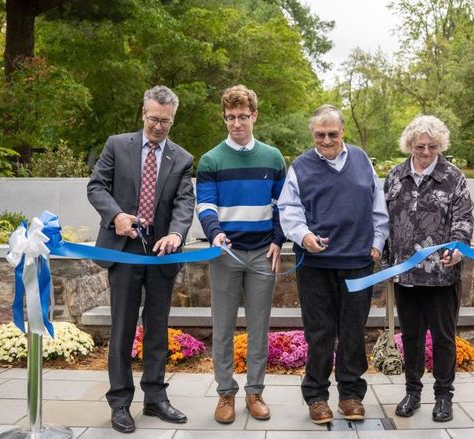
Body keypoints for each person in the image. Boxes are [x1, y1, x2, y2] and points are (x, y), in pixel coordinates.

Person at [87, 85, 195, 433]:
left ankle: (155, 398)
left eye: (165, 121)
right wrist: (116, 215)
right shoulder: (117, 145)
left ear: (172, 119)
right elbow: (96, 187)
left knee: (157, 328)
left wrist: (177, 234)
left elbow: (184, 203)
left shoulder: (182, 158)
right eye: (153, 119)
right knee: (122, 329)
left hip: (162, 254)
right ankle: (120, 402)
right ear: (143, 112)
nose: (158, 126)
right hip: (124, 250)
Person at [278, 104, 389, 425]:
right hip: (315, 265)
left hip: (357, 263)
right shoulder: (300, 166)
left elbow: (377, 205)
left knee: (353, 331)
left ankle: (351, 394)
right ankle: (316, 396)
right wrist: (303, 236)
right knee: (320, 333)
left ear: (343, 132)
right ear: (313, 134)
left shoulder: (361, 160)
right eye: (319, 135)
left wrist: (377, 242)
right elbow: (288, 210)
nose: (326, 140)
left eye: (332, 134)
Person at [196, 85, 285, 424]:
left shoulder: (273, 157)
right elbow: (205, 204)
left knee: (260, 327)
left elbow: (282, 205)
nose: (237, 123)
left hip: (264, 254)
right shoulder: (211, 159)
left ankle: (255, 392)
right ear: (224, 118)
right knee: (222, 327)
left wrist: (278, 239)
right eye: (230, 117)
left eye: (243, 117)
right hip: (225, 255)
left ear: (254, 116)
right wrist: (215, 232)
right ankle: (225, 395)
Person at [384, 115, 474, 422]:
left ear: (441, 145)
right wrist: (385, 259)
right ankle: (412, 392)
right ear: (409, 144)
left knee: (443, 338)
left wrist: (458, 248)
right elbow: (384, 222)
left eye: (432, 146)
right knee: (411, 336)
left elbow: (463, 220)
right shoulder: (395, 177)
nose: (425, 151)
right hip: (405, 276)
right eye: (419, 145)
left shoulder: (453, 177)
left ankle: (444, 396)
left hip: (442, 276)